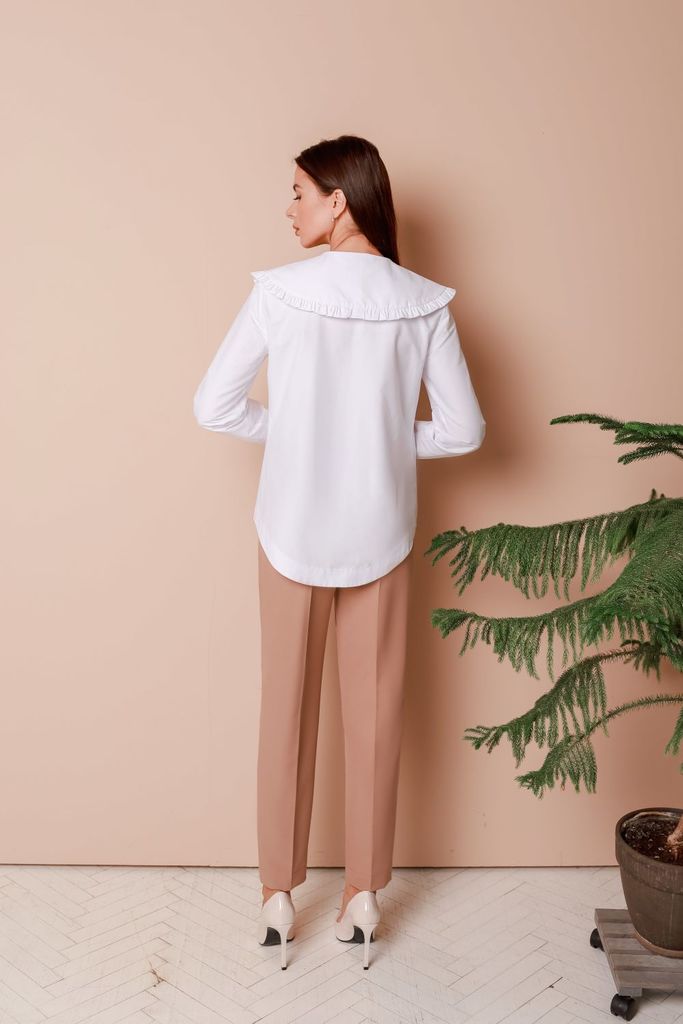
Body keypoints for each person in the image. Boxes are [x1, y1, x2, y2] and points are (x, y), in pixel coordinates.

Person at [193, 134, 486, 969]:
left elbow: (215, 406)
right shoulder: (422, 302)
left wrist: (294, 434)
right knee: (377, 713)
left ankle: (277, 897)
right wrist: (382, 442)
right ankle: (362, 897)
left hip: (289, 527)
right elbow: (463, 431)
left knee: (282, 711)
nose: (288, 208)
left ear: (339, 200)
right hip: (379, 533)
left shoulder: (278, 293)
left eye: (298, 192)